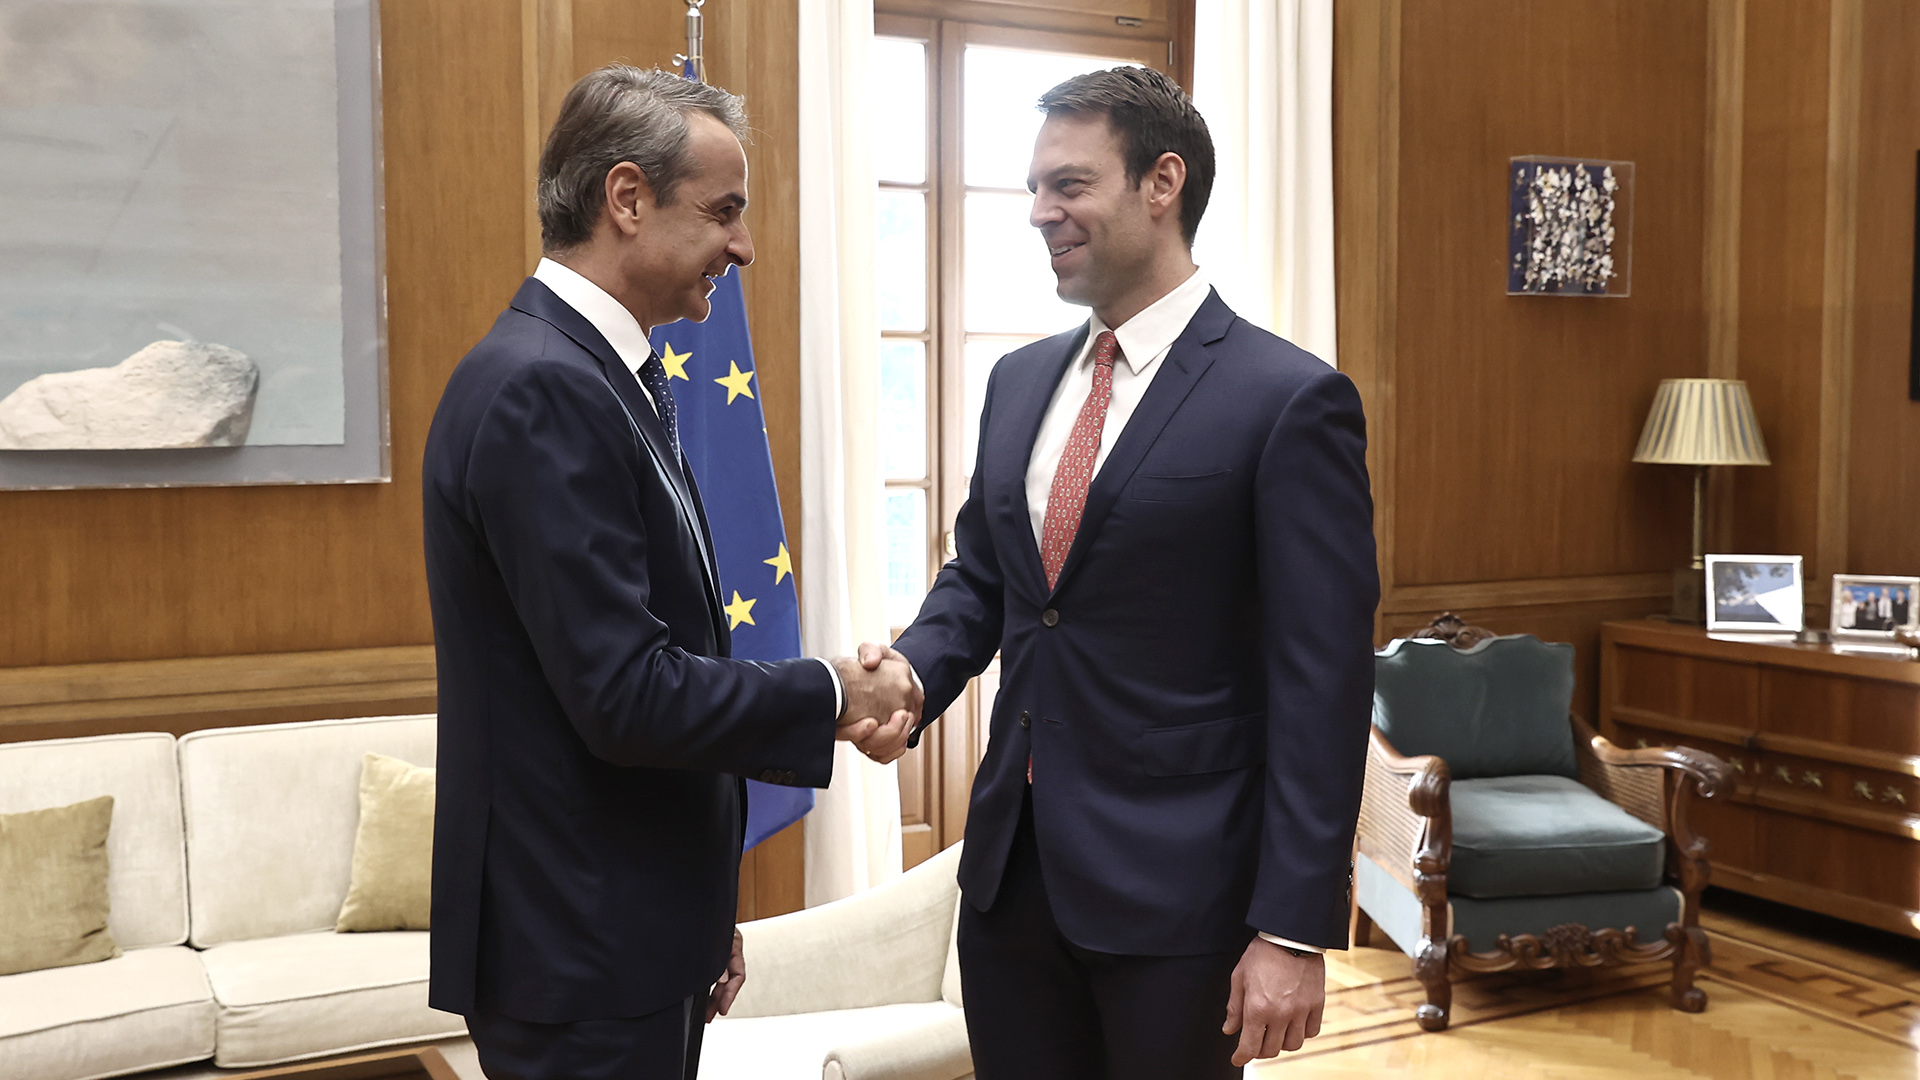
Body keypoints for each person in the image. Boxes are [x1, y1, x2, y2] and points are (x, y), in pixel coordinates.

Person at [855, 67, 1377, 1078]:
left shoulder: (1290, 400)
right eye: (1034, 189)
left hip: (1185, 902)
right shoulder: (1017, 383)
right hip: (1011, 884)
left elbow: (1324, 682)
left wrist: (1292, 928)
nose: (1039, 212)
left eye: (1069, 185)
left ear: (1162, 182)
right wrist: (913, 675)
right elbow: (986, 579)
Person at [421, 66, 919, 1080]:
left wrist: (697, 914)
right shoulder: (544, 391)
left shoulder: (603, 376)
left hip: (626, 930)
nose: (744, 246)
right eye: (723, 211)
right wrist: (833, 692)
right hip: (581, 953)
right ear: (627, 198)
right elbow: (626, 693)